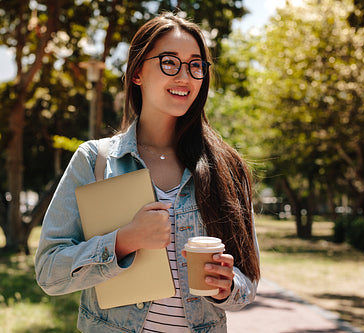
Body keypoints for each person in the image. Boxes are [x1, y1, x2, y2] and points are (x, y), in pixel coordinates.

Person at [35, 12, 260, 333]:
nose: (185, 76)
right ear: (137, 71)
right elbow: (48, 273)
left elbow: (247, 282)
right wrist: (123, 241)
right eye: (170, 62)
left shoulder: (227, 167)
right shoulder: (95, 160)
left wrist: (226, 287)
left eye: (196, 65)